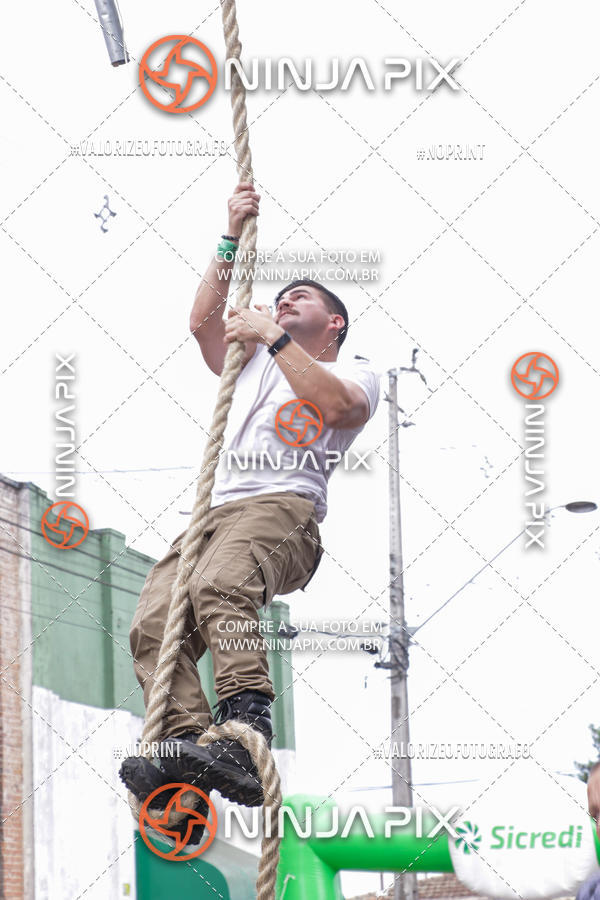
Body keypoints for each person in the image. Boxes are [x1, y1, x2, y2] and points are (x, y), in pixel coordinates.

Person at [120, 182, 380, 824]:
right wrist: (230, 236)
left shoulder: (354, 369)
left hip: (283, 509)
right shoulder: (255, 362)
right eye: (282, 296)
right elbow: (202, 323)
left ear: (335, 323)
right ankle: (189, 744)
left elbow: (338, 408)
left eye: (304, 297)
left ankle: (244, 724)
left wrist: (271, 332)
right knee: (153, 624)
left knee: (220, 584)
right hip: (216, 515)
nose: (287, 298)